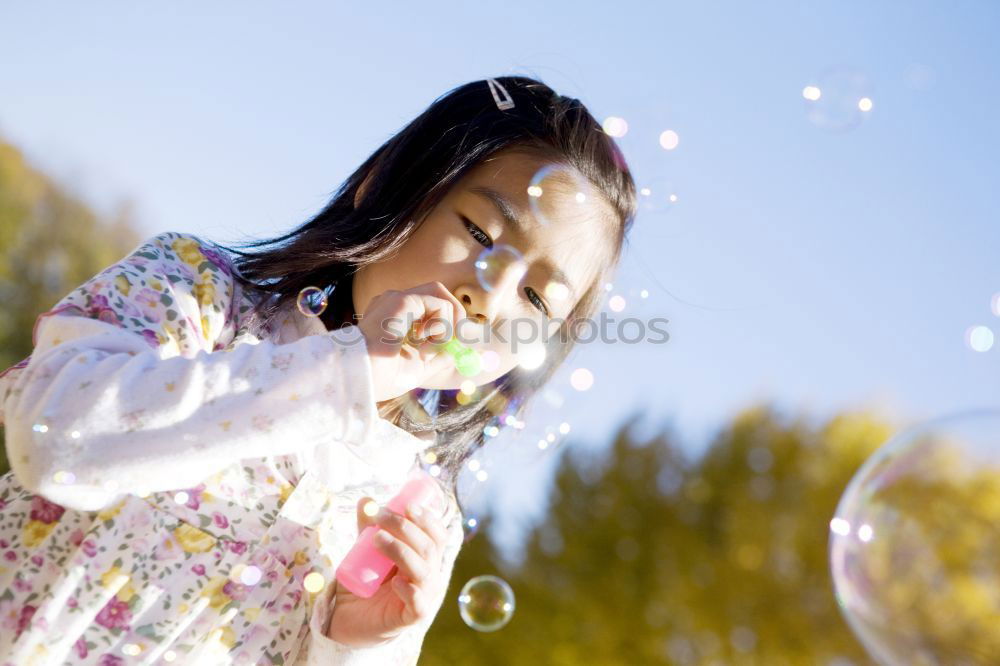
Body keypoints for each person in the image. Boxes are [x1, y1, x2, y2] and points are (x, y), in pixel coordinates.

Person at [0, 75, 636, 664]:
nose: (489, 298)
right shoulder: (202, 292)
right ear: (385, 187)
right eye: (480, 232)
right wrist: (352, 372)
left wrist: (357, 642)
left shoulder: (414, 510)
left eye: (536, 300)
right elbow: (55, 437)